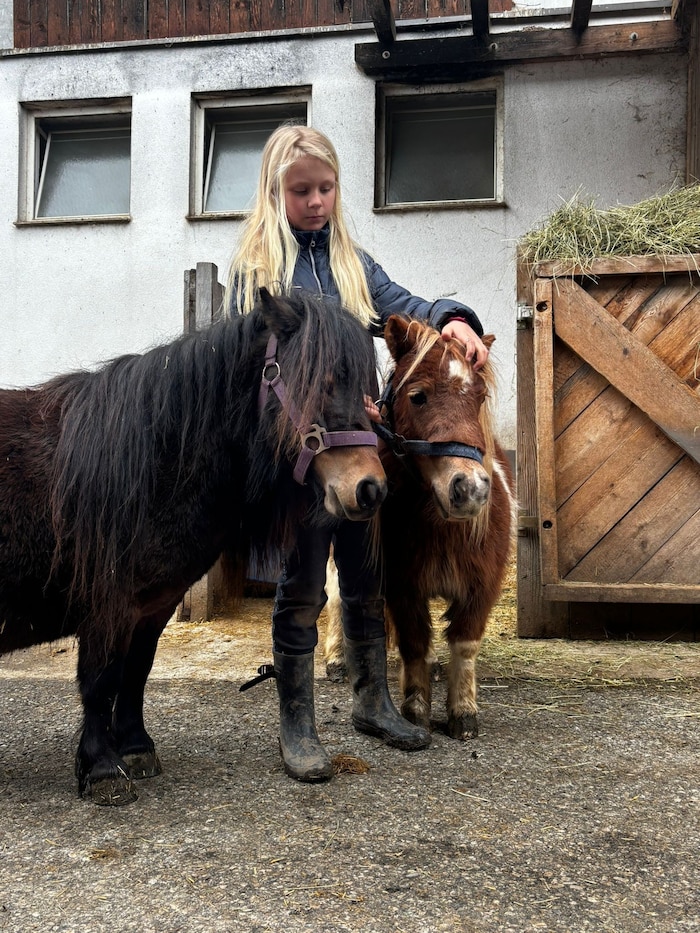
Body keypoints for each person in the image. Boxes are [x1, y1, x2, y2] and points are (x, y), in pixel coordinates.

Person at [226, 124, 488, 783]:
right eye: (300, 190)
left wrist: (455, 318)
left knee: (367, 577)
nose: (316, 201)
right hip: (306, 457)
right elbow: (248, 367)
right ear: (274, 192)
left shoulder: (353, 264)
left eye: (326, 188)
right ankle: (298, 725)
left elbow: (408, 307)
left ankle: (372, 701)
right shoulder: (259, 271)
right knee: (304, 586)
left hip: (361, 451)